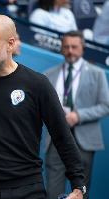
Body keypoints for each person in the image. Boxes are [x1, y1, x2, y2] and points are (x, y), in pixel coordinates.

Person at [0, 14, 86, 199]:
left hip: (27, 189)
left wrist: (78, 186)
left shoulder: (37, 84)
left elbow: (61, 135)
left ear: (10, 44)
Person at [43, 30, 109, 199]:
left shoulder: (97, 73)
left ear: (83, 48)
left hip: (84, 142)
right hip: (55, 141)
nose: (70, 51)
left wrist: (78, 115)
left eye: (74, 47)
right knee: (53, 191)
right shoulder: (49, 74)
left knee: (81, 193)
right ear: (61, 48)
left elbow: (105, 105)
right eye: (66, 47)